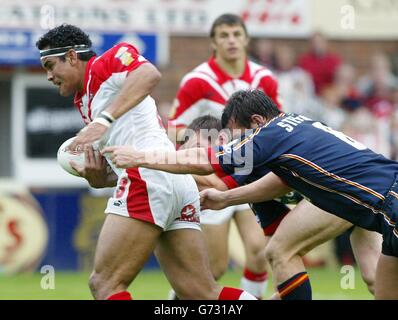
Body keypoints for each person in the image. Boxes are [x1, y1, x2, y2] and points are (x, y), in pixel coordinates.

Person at [102, 90, 396, 300]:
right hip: (377, 207)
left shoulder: (270, 134)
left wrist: (139, 158)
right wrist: (230, 199)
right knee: (377, 284)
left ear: (256, 122)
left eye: (237, 135)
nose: (236, 145)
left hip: (388, 202)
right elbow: (278, 183)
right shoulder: (288, 135)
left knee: (281, 251)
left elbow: (208, 165)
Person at [36, 24, 257, 300]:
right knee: (201, 292)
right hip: (173, 181)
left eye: (49, 65)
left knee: (105, 284)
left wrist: (103, 121)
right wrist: (97, 178)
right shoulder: (85, 100)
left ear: (71, 56)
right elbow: (121, 162)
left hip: (151, 177)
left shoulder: (108, 61)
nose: (48, 76)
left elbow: (149, 73)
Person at [167, 13, 286, 297]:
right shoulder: (197, 81)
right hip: (213, 177)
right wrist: (212, 144)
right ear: (213, 42)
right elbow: (173, 129)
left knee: (259, 251)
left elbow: (278, 125)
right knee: (214, 267)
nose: (231, 40)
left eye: (236, 34)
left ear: (246, 39)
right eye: (224, 35)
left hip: (251, 173)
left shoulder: (263, 79)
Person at [176, 115, 268, 299]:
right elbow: (176, 121)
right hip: (209, 199)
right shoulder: (194, 85)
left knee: (259, 250)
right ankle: (178, 296)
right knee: (216, 269)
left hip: (233, 192)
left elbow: (220, 185)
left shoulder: (236, 156)